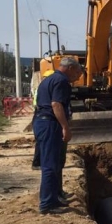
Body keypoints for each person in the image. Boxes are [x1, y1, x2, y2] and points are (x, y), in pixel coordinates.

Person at [32, 57, 84, 215]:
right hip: (50, 124)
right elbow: (56, 104)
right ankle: (47, 204)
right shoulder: (61, 81)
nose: (78, 77)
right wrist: (65, 127)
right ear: (69, 68)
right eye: (77, 72)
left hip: (43, 122)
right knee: (50, 165)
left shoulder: (50, 79)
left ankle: (54, 198)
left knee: (54, 163)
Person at [31, 70, 54, 170]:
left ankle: (39, 162)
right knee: (42, 142)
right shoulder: (44, 89)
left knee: (41, 141)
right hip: (41, 114)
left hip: (38, 114)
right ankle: (38, 163)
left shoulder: (41, 87)